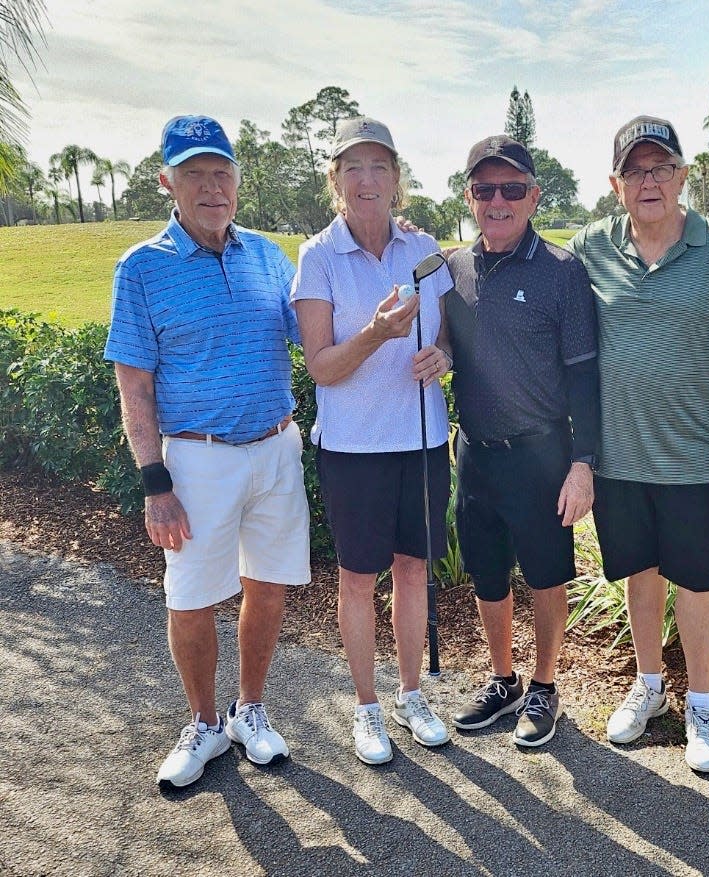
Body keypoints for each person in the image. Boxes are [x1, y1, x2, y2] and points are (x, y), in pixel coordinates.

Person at [104, 115, 312, 790]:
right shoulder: (141, 267)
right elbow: (133, 386)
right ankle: (202, 723)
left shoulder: (267, 256)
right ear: (167, 181)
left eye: (221, 172)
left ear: (237, 182)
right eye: (194, 173)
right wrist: (153, 481)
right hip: (198, 458)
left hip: (275, 447)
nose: (210, 186)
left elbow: (313, 335)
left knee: (269, 582)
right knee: (190, 597)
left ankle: (249, 708)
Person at [567, 115, 709, 773]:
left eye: (660, 167)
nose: (647, 180)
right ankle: (649, 685)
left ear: (681, 175)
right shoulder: (590, 248)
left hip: (692, 458)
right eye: (634, 170)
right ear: (614, 183)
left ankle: (700, 704)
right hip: (617, 458)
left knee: (699, 581)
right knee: (638, 574)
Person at [291, 116, 452, 766]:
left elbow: (448, 337)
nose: (367, 179)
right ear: (336, 180)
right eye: (352, 167)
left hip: (420, 440)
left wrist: (440, 355)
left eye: (378, 167)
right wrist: (376, 335)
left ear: (395, 180)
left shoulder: (424, 248)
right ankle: (365, 706)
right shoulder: (318, 255)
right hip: (353, 450)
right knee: (358, 579)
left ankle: (411, 694)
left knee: (412, 571)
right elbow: (321, 365)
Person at [445, 135, 600, 748]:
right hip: (476, 453)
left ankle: (544, 685)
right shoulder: (452, 267)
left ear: (534, 196)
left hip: (542, 453)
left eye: (512, 189)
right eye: (486, 189)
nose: (499, 201)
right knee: (487, 574)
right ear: (470, 197)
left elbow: (585, 376)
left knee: (545, 573)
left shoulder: (562, 271)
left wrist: (584, 462)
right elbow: (454, 342)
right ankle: (504, 679)